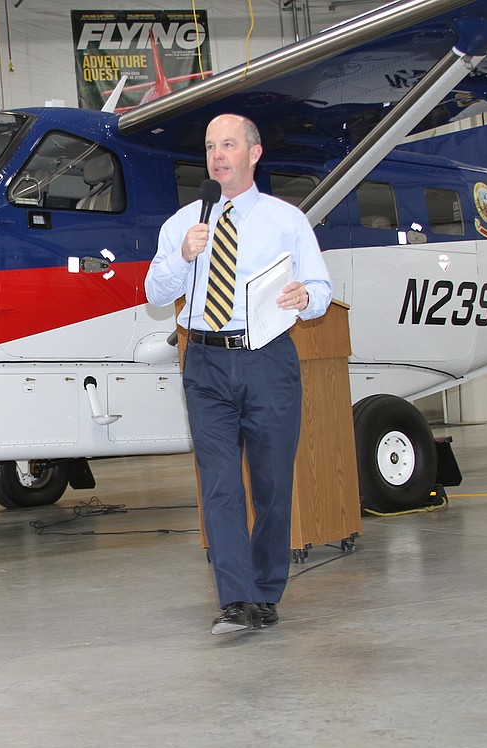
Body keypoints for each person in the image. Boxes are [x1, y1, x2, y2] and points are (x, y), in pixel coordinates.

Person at [144, 114, 332, 634]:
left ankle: (266, 590)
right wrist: (184, 256)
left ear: (254, 153)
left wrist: (306, 297)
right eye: (210, 147)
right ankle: (235, 598)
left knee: (272, 484)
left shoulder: (286, 220)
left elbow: (320, 289)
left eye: (228, 144)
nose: (218, 155)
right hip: (204, 361)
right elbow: (155, 294)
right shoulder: (183, 224)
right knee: (220, 485)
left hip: (268, 358)